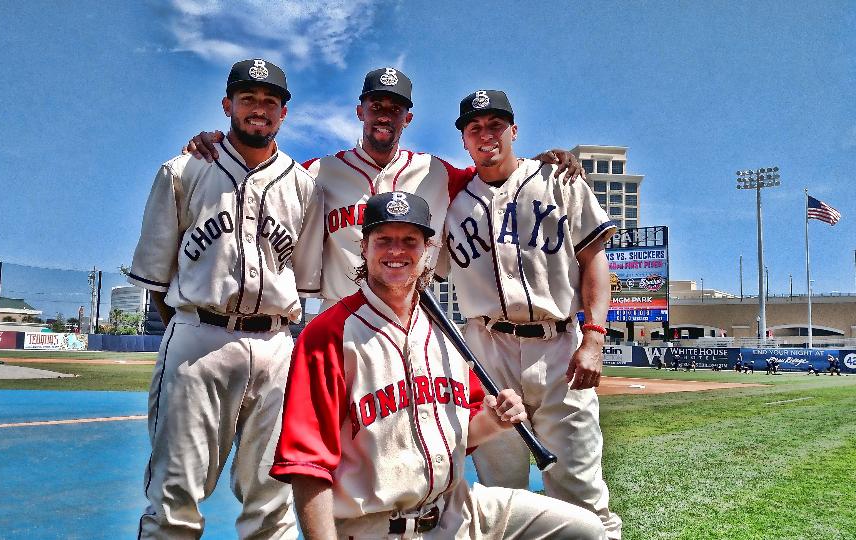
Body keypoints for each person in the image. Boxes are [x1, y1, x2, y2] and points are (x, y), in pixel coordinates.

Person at [271, 191, 605, 539]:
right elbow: (307, 466)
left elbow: (465, 433)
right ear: (364, 248)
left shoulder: (446, 332)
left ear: (427, 251)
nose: (396, 251)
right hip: (373, 527)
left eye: (409, 241)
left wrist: (493, 421)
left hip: (458, 511)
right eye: (383, 239)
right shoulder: (328, 334)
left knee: (584, 530)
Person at [182, 67, 585, 309]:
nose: (384, 115)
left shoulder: (437, 172)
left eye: (394, 108)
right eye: (376, 106)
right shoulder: (317, 172)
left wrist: (540, 162)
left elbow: (495, 172)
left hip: (415, 318)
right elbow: (264, 169)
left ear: (407, 118)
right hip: (340, 317)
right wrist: (220, 142)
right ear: (360, 110)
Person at [126, 59, 323, 539]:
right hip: (199, 335)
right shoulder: (184, 170)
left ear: (283, 113)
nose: (259, 109)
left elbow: (305, 281)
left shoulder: (303, 185)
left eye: (270, 101)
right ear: (227, 105)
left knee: (272, 499)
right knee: (175, 497)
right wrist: (191, 329)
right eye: (248, 98)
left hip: (277, 345)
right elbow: (157, 278)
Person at [438, 90, 621, 537]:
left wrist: (594, 338)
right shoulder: (450, 202)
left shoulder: (560, 180)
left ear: (514, 131)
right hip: (486, 351)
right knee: (503, 488)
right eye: (475, 127)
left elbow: (594, 258)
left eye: (496, 124)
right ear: (463, 139)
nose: (486, 134)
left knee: (580, 487)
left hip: (560, 345)